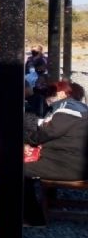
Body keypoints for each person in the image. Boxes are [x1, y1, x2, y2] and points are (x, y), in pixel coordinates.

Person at [23, 81, 88, 225]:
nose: (47, 98)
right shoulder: (82, 108)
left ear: (60, 94)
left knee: (17, 170)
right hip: (77, 162)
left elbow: (41, 136)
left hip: (69, 166)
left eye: (49, 94)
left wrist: (24, 133)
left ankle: (33, 219)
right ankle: (49, 202)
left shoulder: (66, 111)